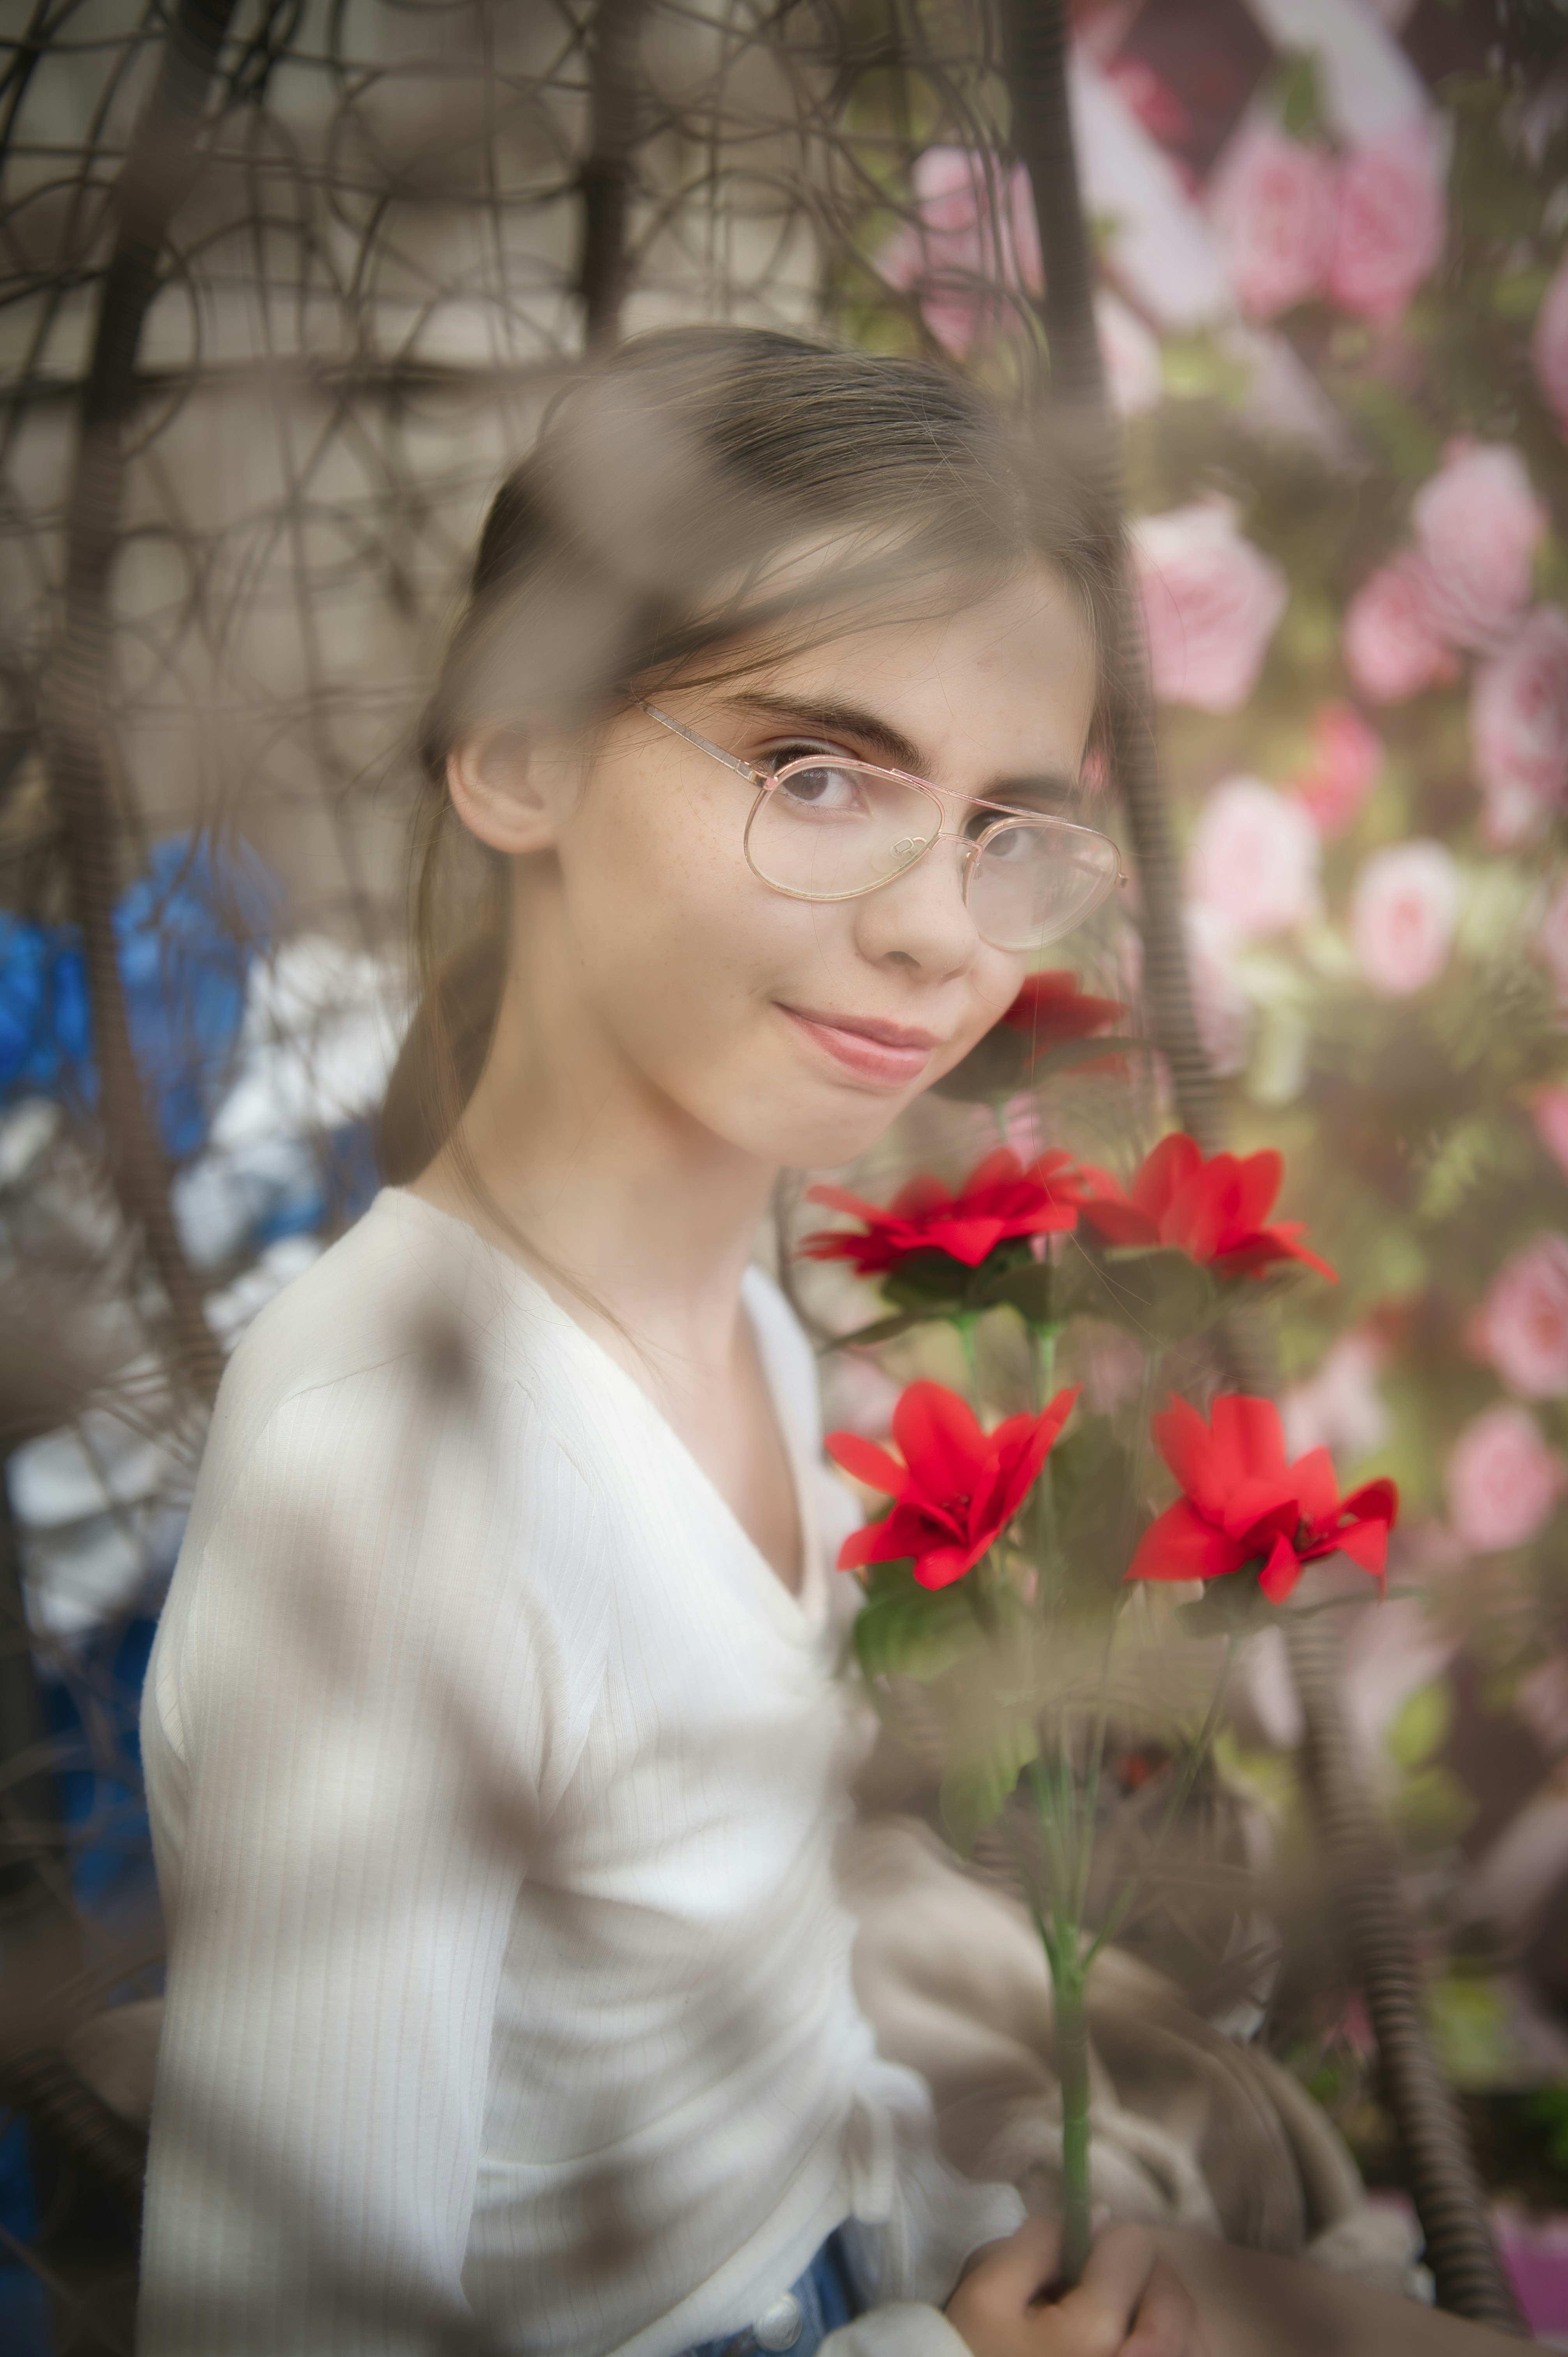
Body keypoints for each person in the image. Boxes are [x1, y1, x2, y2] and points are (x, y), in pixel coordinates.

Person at [135, 329, 1527, 2357]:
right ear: (516, 748)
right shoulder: (400, 1474)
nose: (940, 934)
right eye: (819, 773)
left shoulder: (735, 1331)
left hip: (874, 2229)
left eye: (1003, 832)